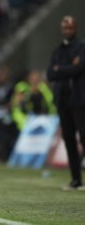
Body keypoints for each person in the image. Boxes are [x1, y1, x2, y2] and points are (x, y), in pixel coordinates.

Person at [47, 15, 85, 190]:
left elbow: (79, 68)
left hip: (79, 100)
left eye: (70, 28)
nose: (67, 31)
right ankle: (76, 180)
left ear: (75, 29)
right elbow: (50, 74)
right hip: (63, 101)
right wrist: (69, 68)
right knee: (69, 139)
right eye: (65, 28)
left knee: (83, 137)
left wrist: (60, 69)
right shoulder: (58, 49)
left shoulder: (82, 47)